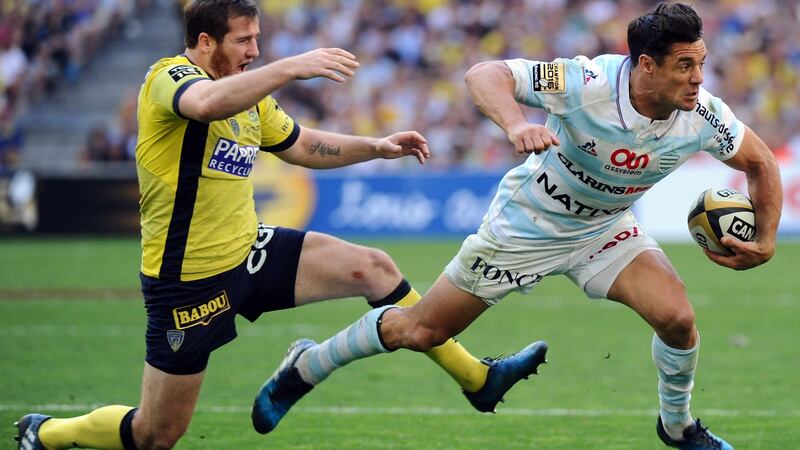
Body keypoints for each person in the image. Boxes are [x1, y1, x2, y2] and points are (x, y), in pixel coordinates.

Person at [13, 1, 548, 449]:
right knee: (157, 434)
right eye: (244, 40)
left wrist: (376, 148)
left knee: (373, 268)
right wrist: (293, 66)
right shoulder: (168, 77)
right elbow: (203, 104)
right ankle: (50, 433)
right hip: (188, 280)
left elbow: (302, 145)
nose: (255, 51)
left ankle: (477, 379)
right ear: (205, 41)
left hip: (250, 251)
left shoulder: (249, 99)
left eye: (258, 38)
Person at [253, 3, 782, 449]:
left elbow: (761, 164)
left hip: (604, 230)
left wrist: (765, 239)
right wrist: (515, 124)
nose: (698, 79)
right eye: (685, 66)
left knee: (678, 319)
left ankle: (678, 427)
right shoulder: (586, 81)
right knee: (422, 331)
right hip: (527, 225)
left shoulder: (705, 114)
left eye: (702, 64)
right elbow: (483, 74)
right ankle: (308, 363)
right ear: (646, 65)